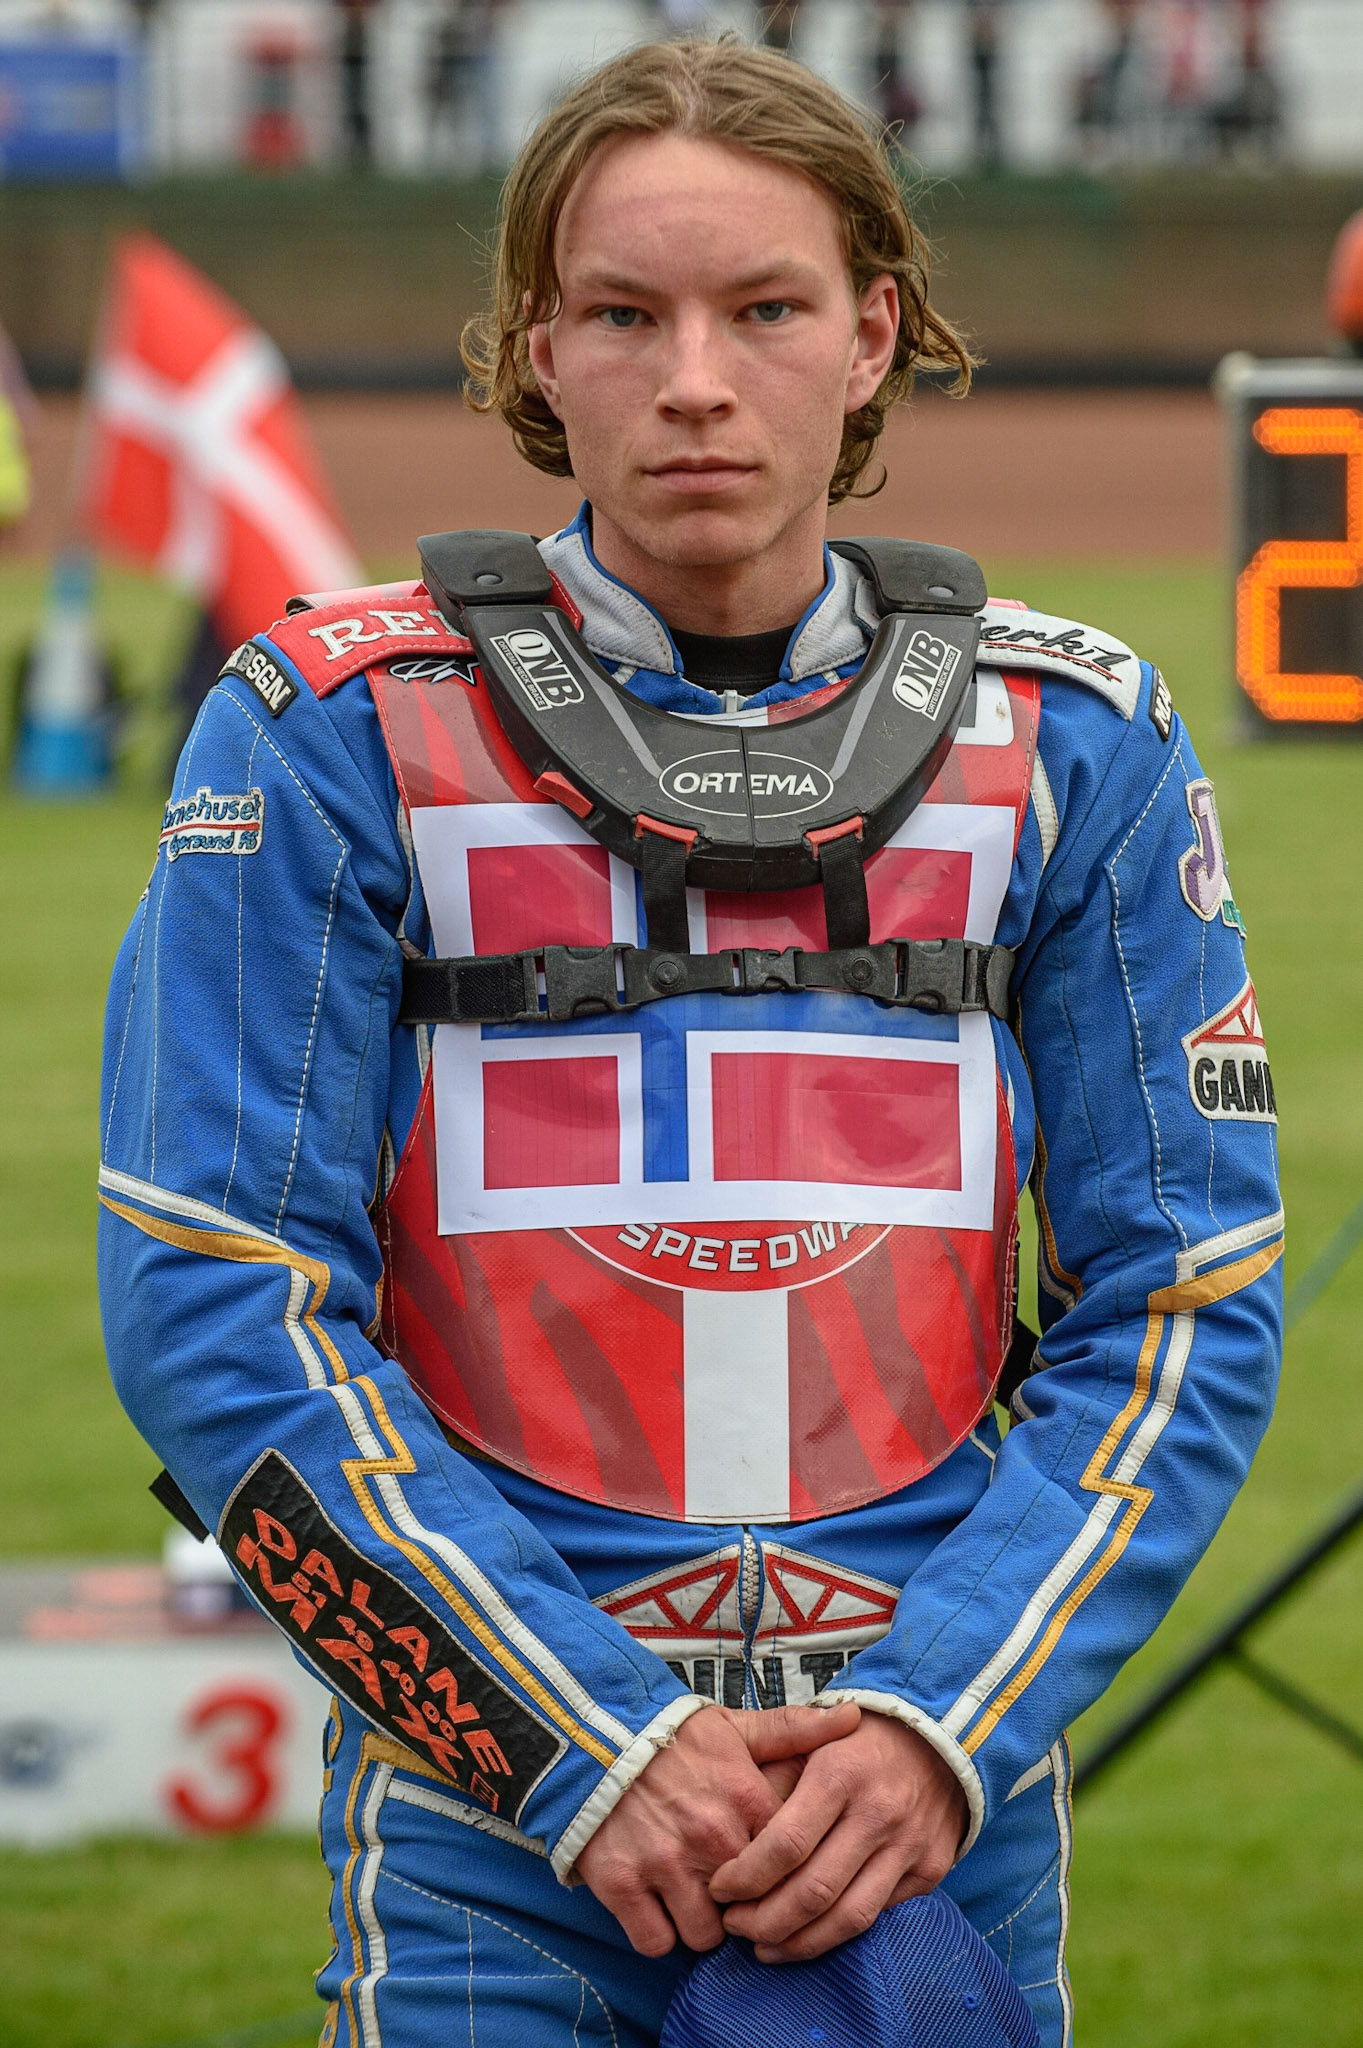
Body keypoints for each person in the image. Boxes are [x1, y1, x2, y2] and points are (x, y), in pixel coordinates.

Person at [98, 35, 1282, 2048]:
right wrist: (582, 1744)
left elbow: (1184, 1301)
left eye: (766, 308)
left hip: (919, 1808)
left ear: (872, 332)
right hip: (496, 1816)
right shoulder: (322, 730)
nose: (700, 379)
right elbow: (219, 1299)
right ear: (537, 349)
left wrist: (936, 1723)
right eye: (625, 315)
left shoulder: (1076, 740)